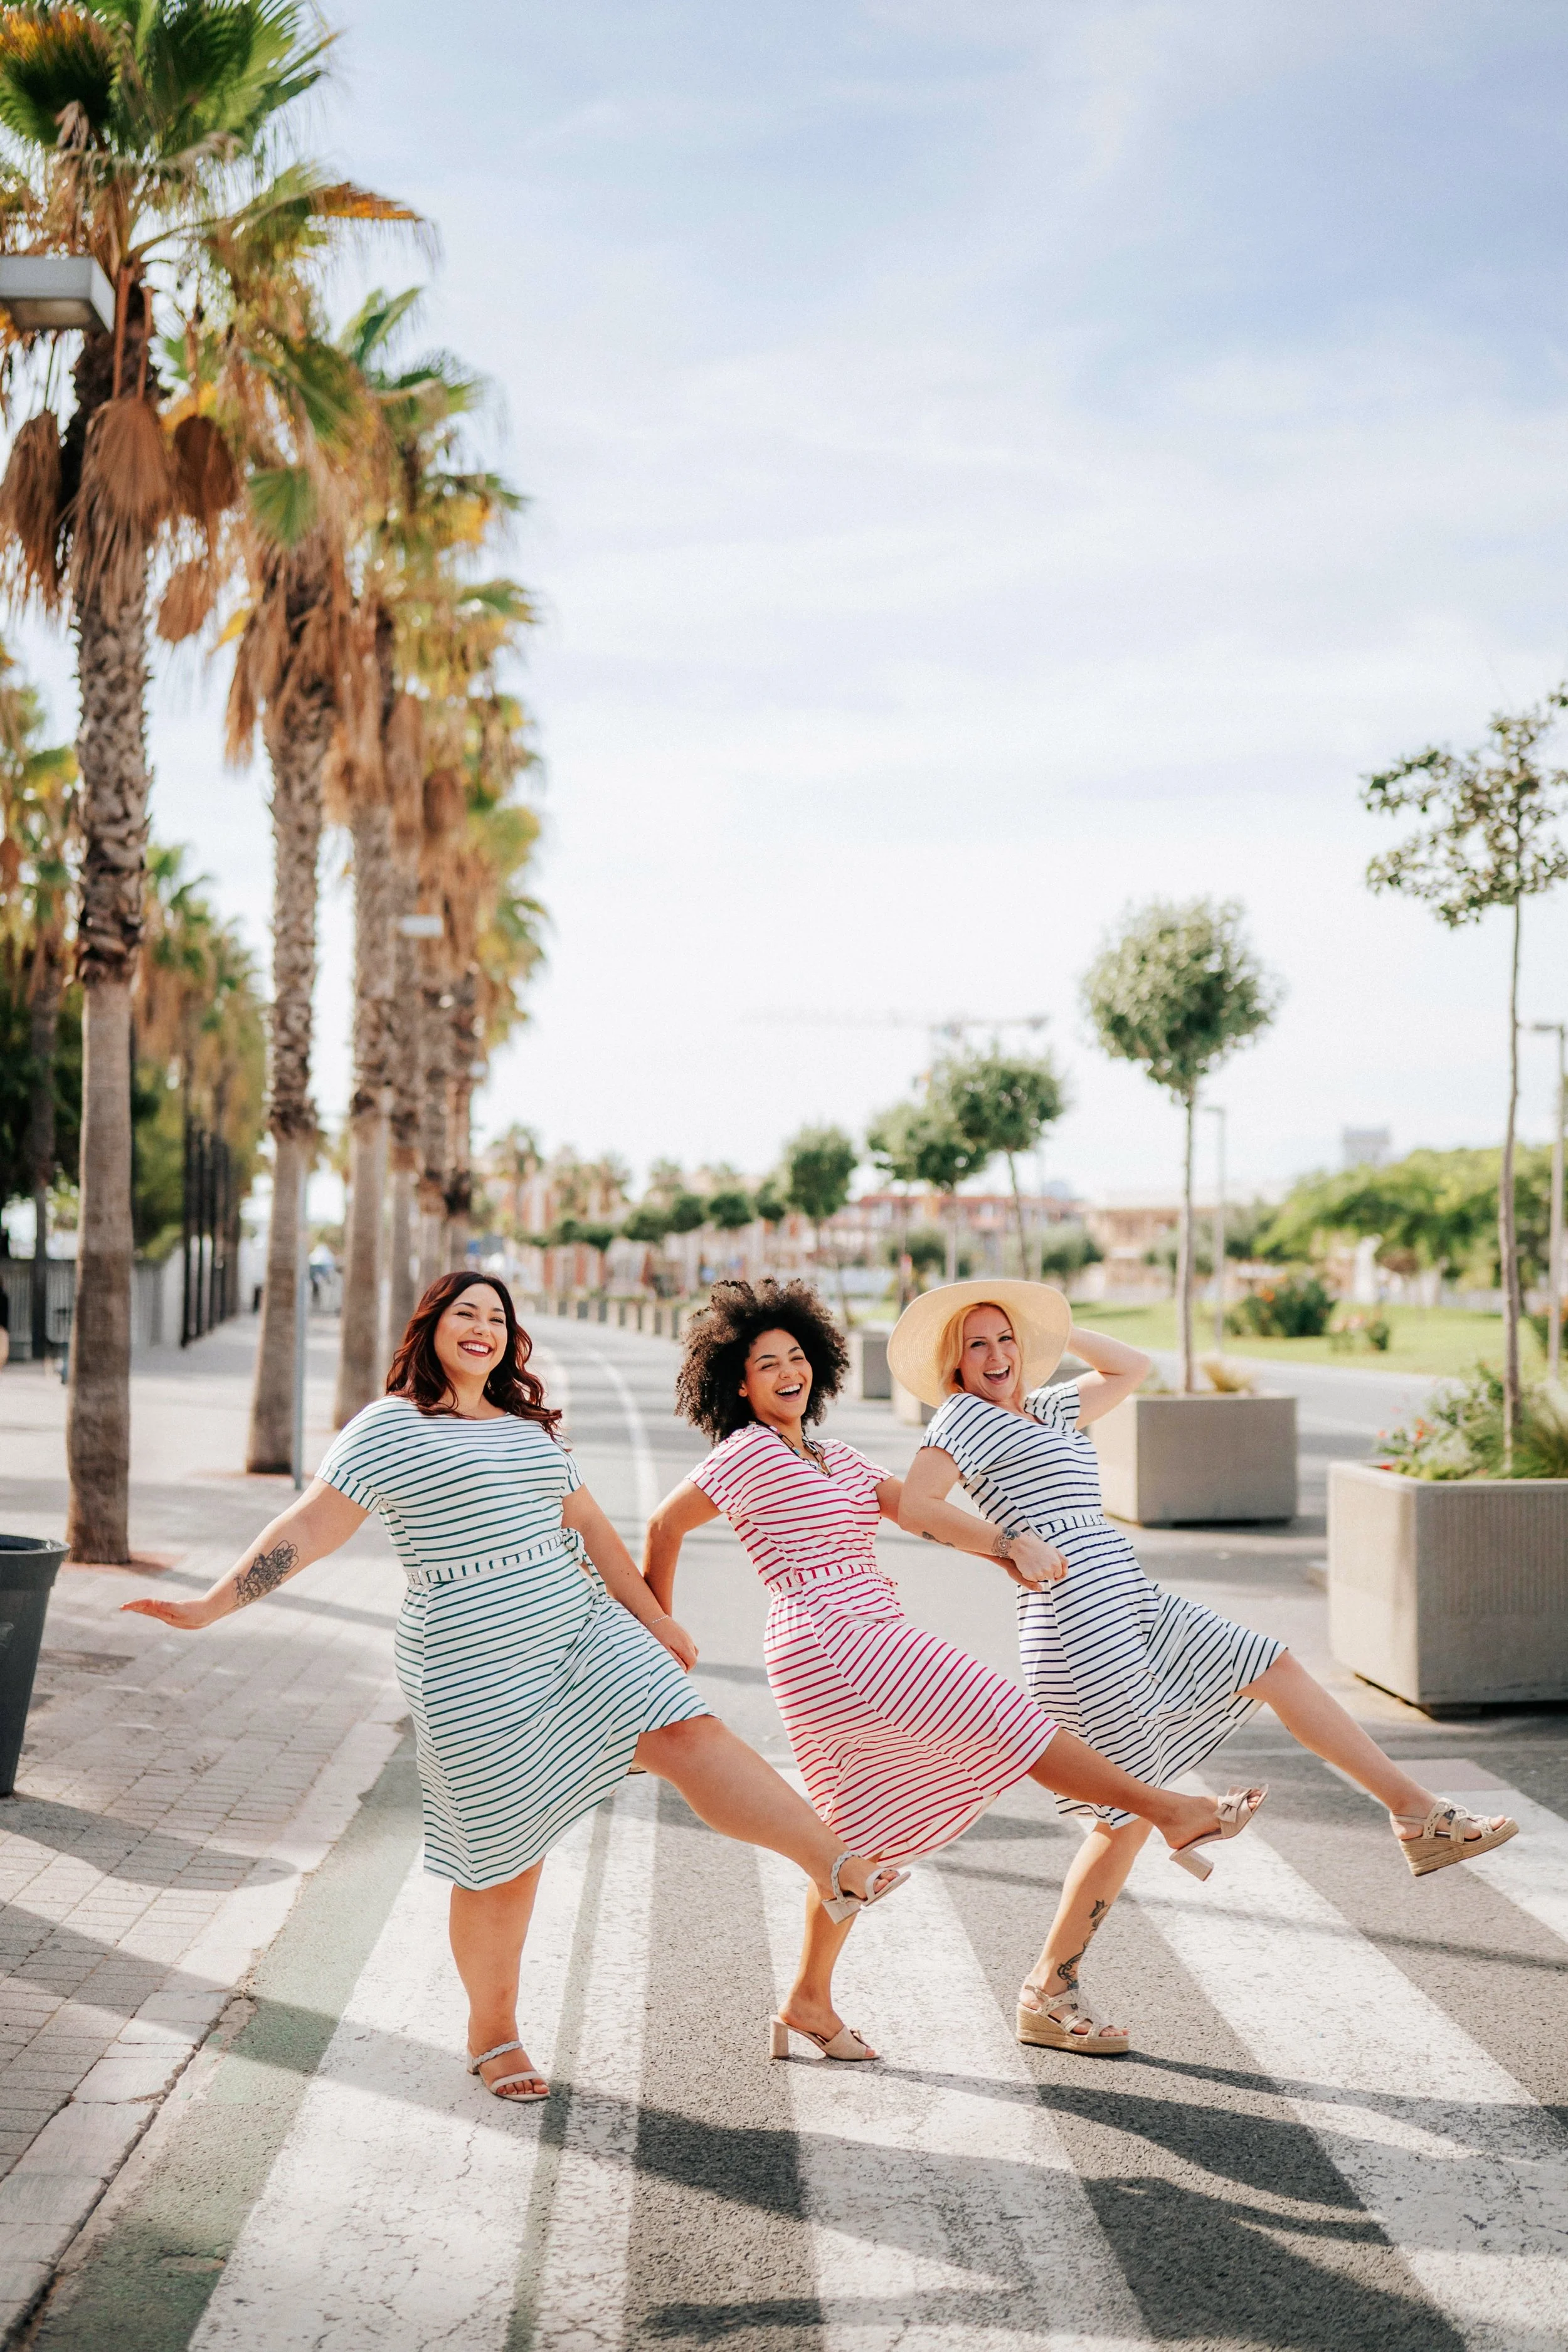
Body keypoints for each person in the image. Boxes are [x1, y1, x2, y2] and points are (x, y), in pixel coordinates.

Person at [123, 1271, 906, 2102]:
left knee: (688, 1728)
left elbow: (592, 1526)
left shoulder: (527, 1429)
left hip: (580, 1627)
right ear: (430, 1329)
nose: (484, 1327)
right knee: (503, 1858)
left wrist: (655, 1620)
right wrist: (211, 1604)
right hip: (469, 1663)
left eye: (497, 1317)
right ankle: (493, 2034)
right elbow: (308, 1526)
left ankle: (836, 1862)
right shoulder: (389, 1426)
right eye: (466, 1312)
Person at [645, 1279, 1266, 2067]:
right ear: (738, 1383)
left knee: (853, 1831)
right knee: (1002, 1711)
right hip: (824, 1636)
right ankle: (1170, 1811)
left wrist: (1006, 1548)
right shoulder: (745, 1453)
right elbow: (664, 1523)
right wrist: (659, 1624)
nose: (787, 1373)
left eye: (797, 1357)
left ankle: (807, 1999)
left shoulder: (832, 1455)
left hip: (870, 1625)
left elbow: (917, 1510)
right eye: (767, 1364)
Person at [893, 1281, 1520, 2059]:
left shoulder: (1047, 1408)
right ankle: (1049, 1991)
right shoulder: (962, 1419)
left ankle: (1416, 1816)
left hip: (1131, 1596)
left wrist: (1049, 1327)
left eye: (1005, 1339)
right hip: (1072, 1619)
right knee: (1120, 1821)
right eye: (977, 1346)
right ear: (953, 1365)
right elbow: (913, 1505)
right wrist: (1005, 1545)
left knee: (1272, 1664)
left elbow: (1132, 1367)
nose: (996, 1357)